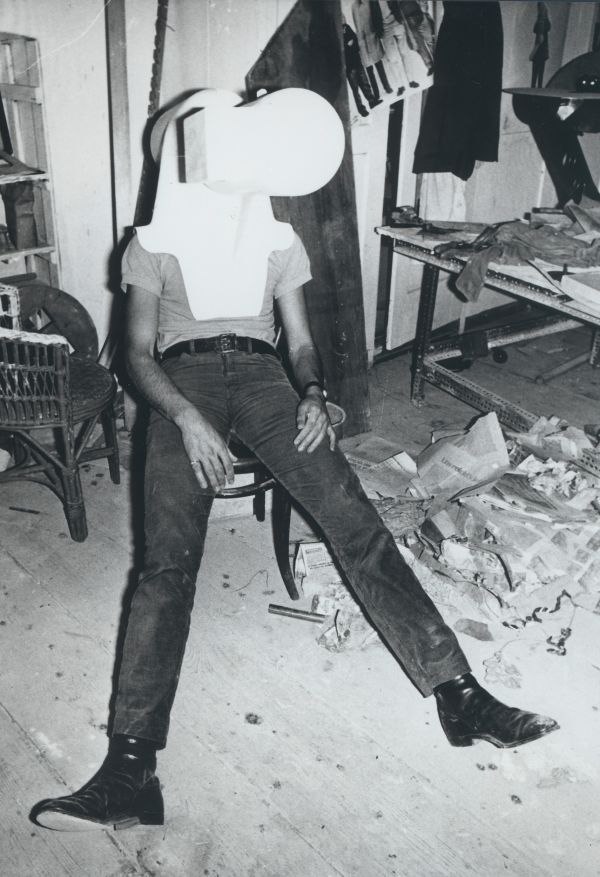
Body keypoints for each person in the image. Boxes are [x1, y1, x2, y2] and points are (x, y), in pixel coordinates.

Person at [30, 88, 558, 832]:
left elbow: (301, 343)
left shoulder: (278, 240)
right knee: (165, 566)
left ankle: (460, 697)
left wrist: (313, 392)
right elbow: (137, 354)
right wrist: (184, 418)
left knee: (357, 523)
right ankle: (130, 770)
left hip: (263, 377)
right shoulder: (152, 243)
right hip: (181, 381)